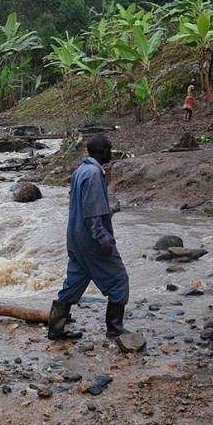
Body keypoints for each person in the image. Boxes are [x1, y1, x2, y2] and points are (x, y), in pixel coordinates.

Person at [48, 135, 132, 341]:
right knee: (119, 280)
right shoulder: (94, 174)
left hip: (75, 238)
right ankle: (115, 327)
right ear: (102, 149)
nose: (111, 153)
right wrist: (104, 241)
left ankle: (55, 330)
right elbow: (92, 215)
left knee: (74, 282)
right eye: (109, 149)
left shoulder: (80, 171)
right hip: (91, 239)